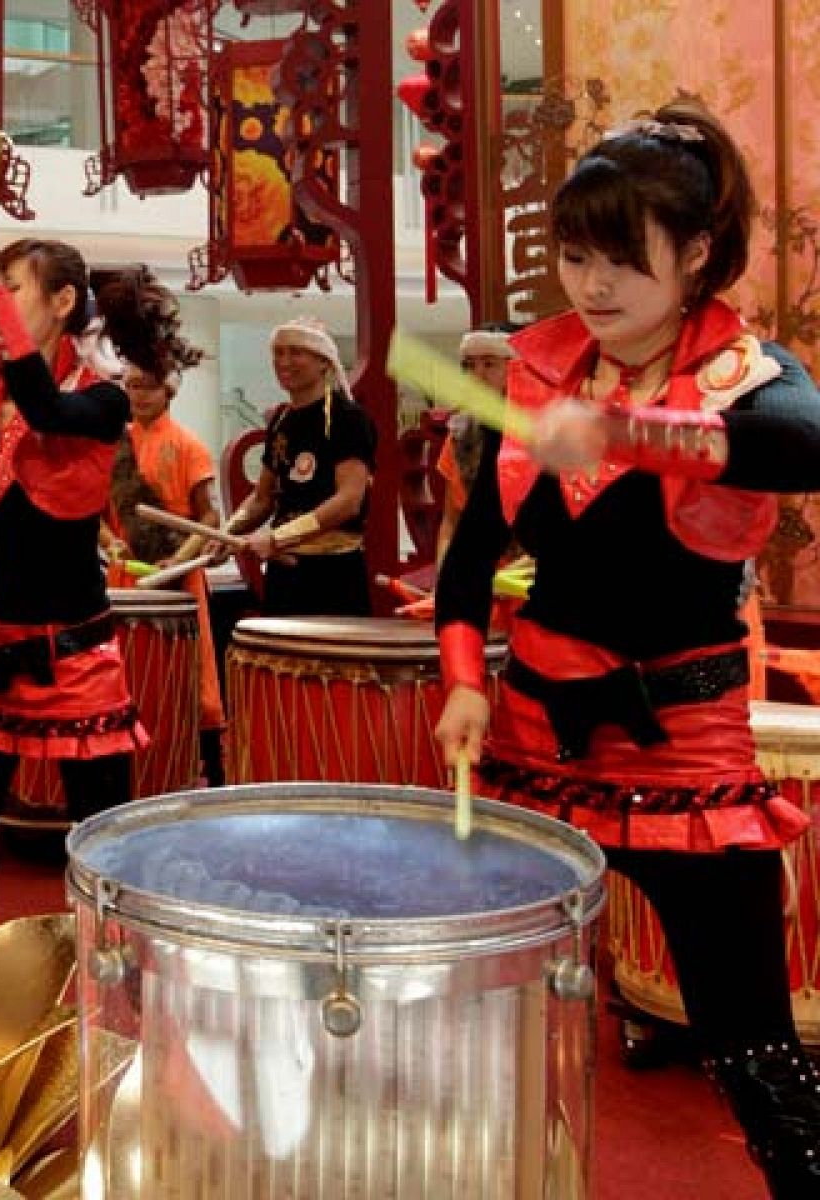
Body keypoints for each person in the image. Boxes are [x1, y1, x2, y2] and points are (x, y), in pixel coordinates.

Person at [433, 103, 820, 1197]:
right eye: (572, 257)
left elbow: (805, 445)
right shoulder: (539, 368)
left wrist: (624, 432)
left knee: (747, 1038)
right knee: (482, 1004)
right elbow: (471, 562)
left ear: (695, 254)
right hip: (528, 735)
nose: (590, 287)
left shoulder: (745, 373)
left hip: (681, 750)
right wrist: (463, 676)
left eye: (621, 260)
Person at [0, 234, 202, 937]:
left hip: (78, 660)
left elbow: (43, 408)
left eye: (14, 290)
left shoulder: (100, 402)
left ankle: (117, 987)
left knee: (102, 854)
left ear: (63, 302)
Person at [106, 365, 228, 786]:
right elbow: (95, 515)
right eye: (133, 386)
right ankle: (129, 767)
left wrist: (178, 560)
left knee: (193, 682)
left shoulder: (187, 445)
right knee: (124, 677)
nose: (139, 396)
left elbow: (209, 514)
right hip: (126, 578)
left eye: (149, 387)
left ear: (169, 392)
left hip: (177, 576)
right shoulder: (114, 445)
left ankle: (206, 772)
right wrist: (110, 544)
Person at [221, 317, 378, 616]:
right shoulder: (282, 420)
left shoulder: (348, 418)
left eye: (296, 352)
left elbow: (348, 502)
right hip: (285, 571)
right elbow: (262, 498)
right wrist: (226, 534)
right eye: (278, 353)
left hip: (332, 572)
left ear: (324, 362)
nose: (284, 362)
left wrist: (278, 537)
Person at [434, 325, 516, 561]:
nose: (477, 375)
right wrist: (445, 575)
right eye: (469, 365)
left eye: (489, 364)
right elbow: (451, 523)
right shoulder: (462, 435)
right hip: (479, 574)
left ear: (516, 368)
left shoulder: (545, 430)